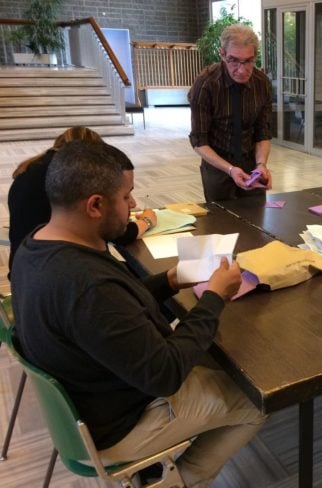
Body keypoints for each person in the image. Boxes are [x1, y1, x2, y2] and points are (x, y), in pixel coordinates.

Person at [10, 140, 266, 488]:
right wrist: (215, 297)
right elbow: (166, 374)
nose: (133, 205)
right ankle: (181, 481)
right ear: (95, 205)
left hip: (93, 397)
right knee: (257, 397)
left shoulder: (36, 245)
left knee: (223, 358)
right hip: (119, 424)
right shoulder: (86, 284)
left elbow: (111, 313)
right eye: (126, 196)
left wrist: (170, 280)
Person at [7, 126, 157, 272]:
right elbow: (117, 232)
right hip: (56, 266)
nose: (132, 203)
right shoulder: (71, 178)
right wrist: (146, 221)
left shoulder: (31, 168)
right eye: (125, 196)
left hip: (24, 264)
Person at [189, 24, 273, 202]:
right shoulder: (206, 84)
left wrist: (261, 165)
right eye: (233, 61)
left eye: (248, 61)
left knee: (256, 214)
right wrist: (230, 169)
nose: (241, 70)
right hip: (217, 163)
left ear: (255, 56)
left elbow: (263, 132)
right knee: (221, 216)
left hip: (251, 161)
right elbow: (198, 140)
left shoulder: (262, 83)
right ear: (222, 54)